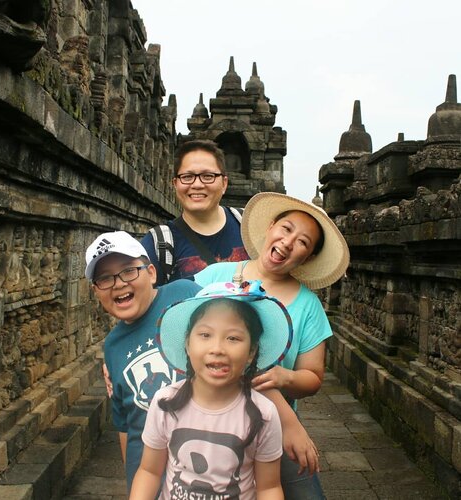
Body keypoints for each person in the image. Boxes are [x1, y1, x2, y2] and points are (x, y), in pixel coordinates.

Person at [194, 192, 350, 499]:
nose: (289, 242)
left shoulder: (308, 306)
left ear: (308, 258)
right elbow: (169, 320)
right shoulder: (214, 277)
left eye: (303, 242)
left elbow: (313, 378)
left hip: (273, 426)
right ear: (271, 227)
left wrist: (284, 377)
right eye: (287, 229)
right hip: (207, 422)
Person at [130, 280, 293, 499]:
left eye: (233, 338)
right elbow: (149, 472)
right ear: (187, 343)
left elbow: (268, 487)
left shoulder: (263, 414)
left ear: (252, 351)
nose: (217, 349)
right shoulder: (165, 403)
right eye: (205, 335)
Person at [84, 231, 201, 495]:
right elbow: (125, 423)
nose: (118, 283)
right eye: (104, 278)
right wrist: (135, 482)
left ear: (151, 273)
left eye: (128, 271)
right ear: (95, 291)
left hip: (209, 467)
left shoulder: (186, 295)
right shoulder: (113, 346)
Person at [140, 139, 248, 285]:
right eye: (187, 177)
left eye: (208, 176)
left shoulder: (249, 225)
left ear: (224, 183)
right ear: (175, 184)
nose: (197, 184)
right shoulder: (158, 244)